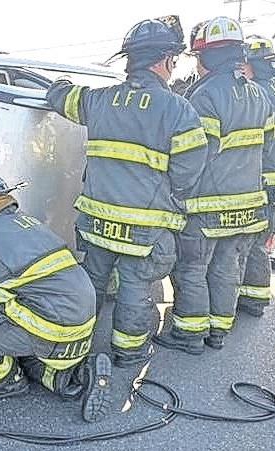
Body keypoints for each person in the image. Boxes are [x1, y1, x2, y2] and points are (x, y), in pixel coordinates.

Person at [46, 16, 208, 367]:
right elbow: (189, 171)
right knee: (135, 286)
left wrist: (58, 82)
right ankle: (129, 352)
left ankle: (76, 345)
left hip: (96, 222)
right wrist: (171, 198)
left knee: (92, 281)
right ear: (167, 61)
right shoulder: (179, 110)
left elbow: (60, 96)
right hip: (144, 227)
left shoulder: (98, 100)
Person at [0, 171, 112, 423]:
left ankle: (6, 383)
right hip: (80, 323)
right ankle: (77, 376)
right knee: (12, 328)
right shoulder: (29, 224)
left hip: (51, 326)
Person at [155, 17, 275, 353]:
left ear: (207, 56)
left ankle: (189, 334)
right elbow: (267, 149)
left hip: (207, 205)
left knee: (192, 269)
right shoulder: (258, 94)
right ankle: (218, 332)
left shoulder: (204, 95)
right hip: (248, 205)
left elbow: (196, 156)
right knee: (226, 267)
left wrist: (175, 191)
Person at [237, 35, 275, 317]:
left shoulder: (256, 95)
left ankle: (247, 298)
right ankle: (255, 297)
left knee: (248, 242)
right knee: (259, 241)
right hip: (269, 182)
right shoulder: (270, 90)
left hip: (260, 179)